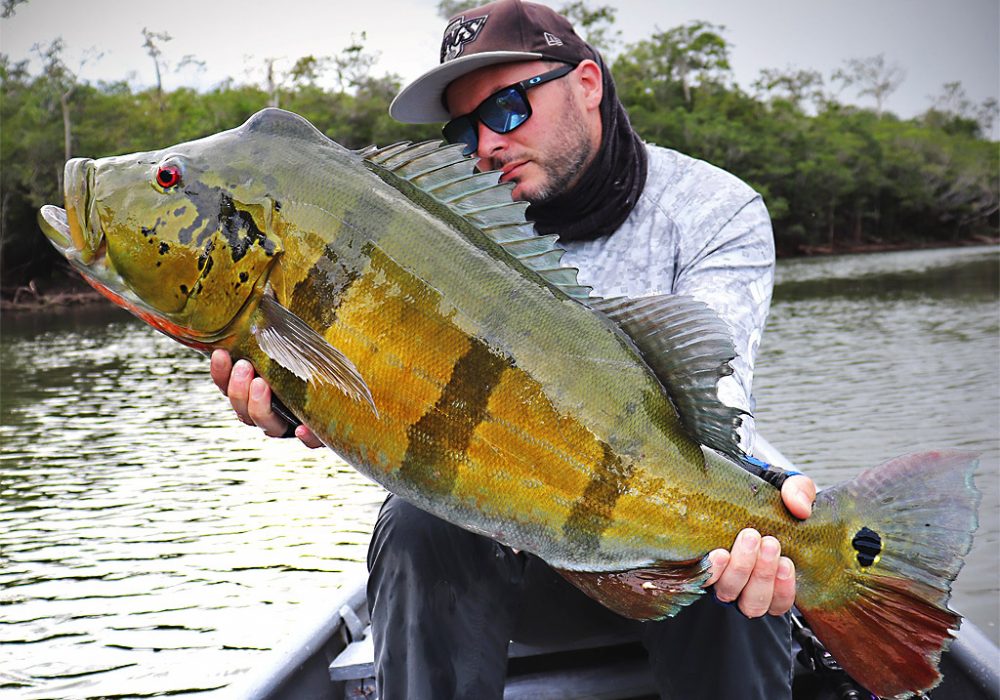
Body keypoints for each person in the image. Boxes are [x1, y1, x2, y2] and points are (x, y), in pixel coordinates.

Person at [211, 1, 818, 697]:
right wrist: (297, 394)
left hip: (666, 558)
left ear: (587, 83)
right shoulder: (436, 236)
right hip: (512, 577)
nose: (485, 144)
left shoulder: (713, 210)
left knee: (741, 554)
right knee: (417, 527)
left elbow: (714, 411)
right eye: (463, 127)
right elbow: (390, 383)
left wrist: (769, 510)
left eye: (505, 110)